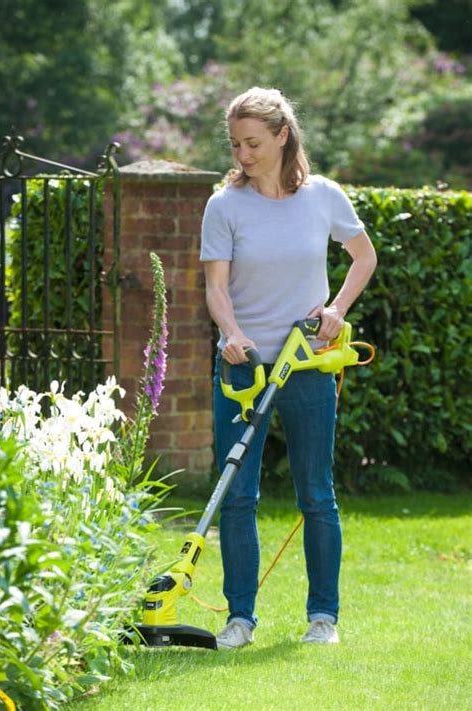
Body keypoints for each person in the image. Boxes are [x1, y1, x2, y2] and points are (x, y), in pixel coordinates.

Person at [200, 87, 377, 649]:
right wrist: (232, 334)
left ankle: (323, 617)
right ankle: (240, 619)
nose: (243, 155)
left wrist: (335, 310)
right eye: (235, 144)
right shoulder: (223, 205)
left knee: (316, 495)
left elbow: (363, 256)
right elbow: (215, 287)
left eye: (252, 143)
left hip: (307, 367)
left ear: (282, 136)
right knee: (238, 495)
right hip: (243, 369)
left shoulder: (322, 196)